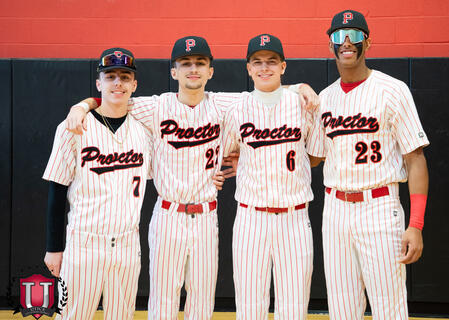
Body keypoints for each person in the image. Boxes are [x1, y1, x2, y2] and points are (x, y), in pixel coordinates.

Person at [65, 36, 319, 320]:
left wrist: (299, 87)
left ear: (211, 71)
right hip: (167, 214)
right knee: (162, 300)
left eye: (200, 63)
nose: (193, 69)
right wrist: (82, 106)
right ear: (173, 72)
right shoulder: (156, 106)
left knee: (201, 301)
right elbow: (113, 99)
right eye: (185, 64)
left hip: (207, 216)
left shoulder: (225, 104)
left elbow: (267, 89)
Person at [317, 10, 430, 319]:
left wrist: (416, 225)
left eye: (355, 34)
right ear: (331, 45)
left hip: (379, 206)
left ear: (367, 42)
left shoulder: (393, 90)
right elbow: (312, 157)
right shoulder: (324, 99)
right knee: (342, 307)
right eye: (339, 36)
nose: (347, 42)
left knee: (389, 306)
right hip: (336, 210)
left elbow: (415, 158)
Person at [43, 47, 152, 319]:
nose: (118, 83)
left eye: (125, 77)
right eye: (110, 76)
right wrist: (54, 248)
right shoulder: (72, 127)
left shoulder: (145, 129)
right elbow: (57, 190)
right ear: (98, 83)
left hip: (128, 244)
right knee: (72, 315)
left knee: (122, 315)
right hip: (84, 244)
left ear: (134, 84)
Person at [222, 34, 323, 319]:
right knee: (249, 305)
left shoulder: (302, 103)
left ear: (283, 66)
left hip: (294, 216)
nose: (264, 67)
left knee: (294, 305)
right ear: (248, 68)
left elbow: (315, 155)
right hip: (251, 217)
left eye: (271, 61)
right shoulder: (237, 109)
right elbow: (228, 150)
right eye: (257, 62)